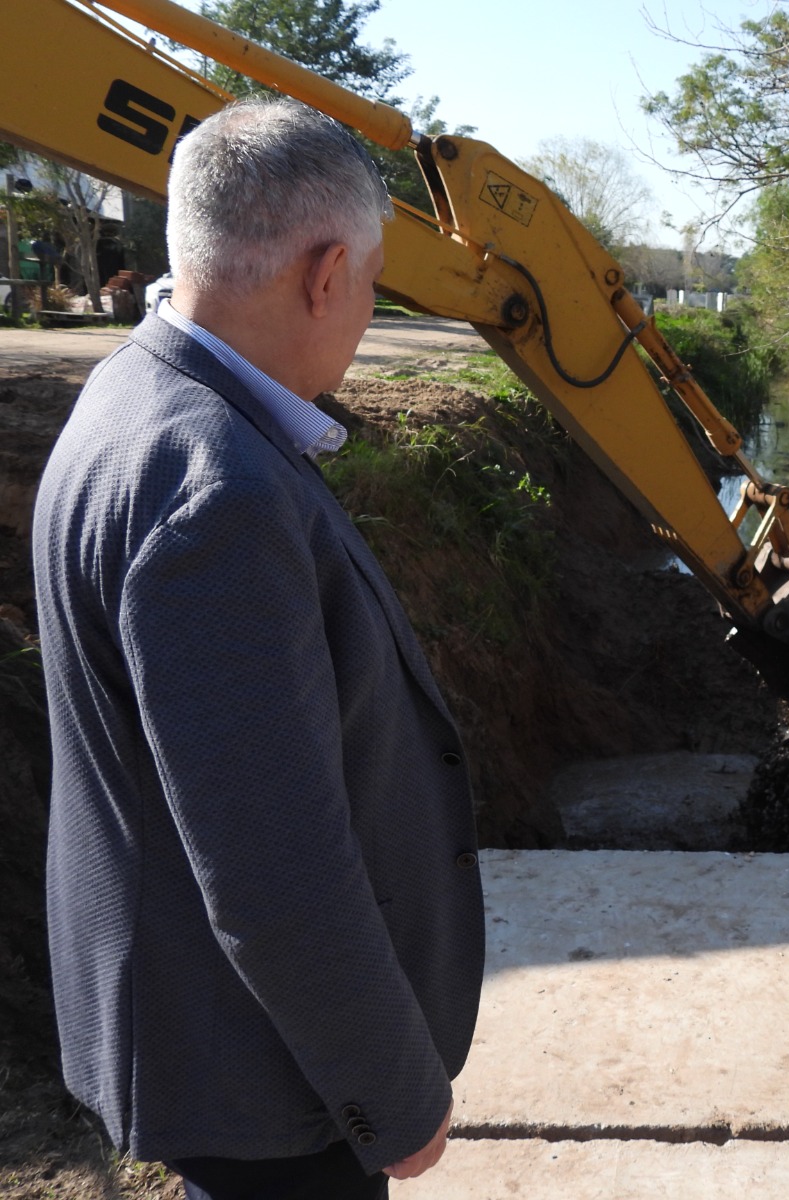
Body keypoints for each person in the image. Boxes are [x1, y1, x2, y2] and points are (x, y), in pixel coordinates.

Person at [33, 97, 484, 1198]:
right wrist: (392, 1092)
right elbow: (271, 866)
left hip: (229, 1047)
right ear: (326, 271)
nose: (368, 309)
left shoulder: (134, 397)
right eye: (373, 283)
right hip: (272, 1086)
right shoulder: (214, 490)